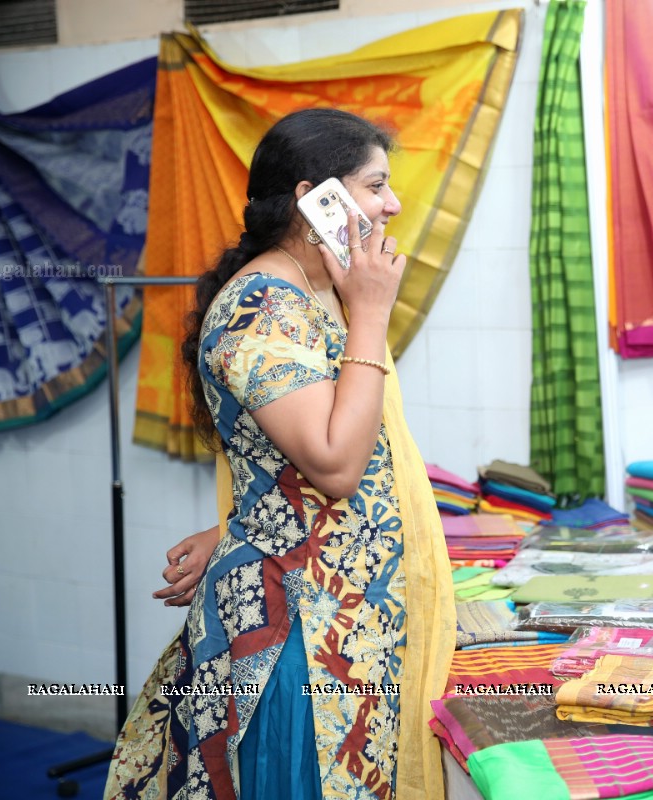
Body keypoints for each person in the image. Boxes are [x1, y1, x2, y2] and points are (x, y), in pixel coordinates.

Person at [104, 108, 455, 800]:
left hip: (342, 612)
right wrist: (372, 313)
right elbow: (334, 462)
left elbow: (291, 453)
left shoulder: (312, 291)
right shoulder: (263, 306)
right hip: (298, 630)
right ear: (311, 199)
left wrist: (238, 524)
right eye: (376, 184)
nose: (394, 204)